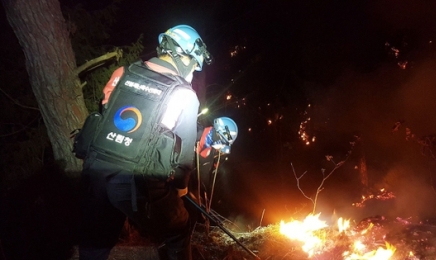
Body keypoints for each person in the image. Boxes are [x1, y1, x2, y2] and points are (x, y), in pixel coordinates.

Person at [77, 24, 212, 260]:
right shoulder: (185, 95)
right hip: (135, 183)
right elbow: (183, 163)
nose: (192, 72)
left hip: (94, 171)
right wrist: (180, 193)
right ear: (184, 56)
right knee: (179, 227)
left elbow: (106, 111)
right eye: (193, 65)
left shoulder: (124, 71)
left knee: (96, 240)